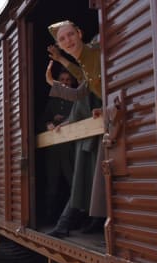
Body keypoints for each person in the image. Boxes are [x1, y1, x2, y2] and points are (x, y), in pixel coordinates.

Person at [46, 21, 106, 237]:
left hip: (98, 133)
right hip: (88, 136)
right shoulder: (87, 64)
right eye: (62, 39)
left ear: (80, 33)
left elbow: (85, 82)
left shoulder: (93, 54)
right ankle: (90, 221)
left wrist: (104, 107)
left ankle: (67, 223)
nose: (68, 41)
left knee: (87, 180)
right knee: (87, 180)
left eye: (70, 35)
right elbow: (83, 80)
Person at [40, 70, 75, 222]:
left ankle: (74, 219)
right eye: (62, 79)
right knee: (52, 185)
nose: (65, 82)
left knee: (73, 183)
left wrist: (66, 120)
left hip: (70, 148)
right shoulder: (52, 101)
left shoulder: (76, 98)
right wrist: (48, 123)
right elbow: (41, 120)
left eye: (68, 80)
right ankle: (50, 217)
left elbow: (80, 115)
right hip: (54, 149)